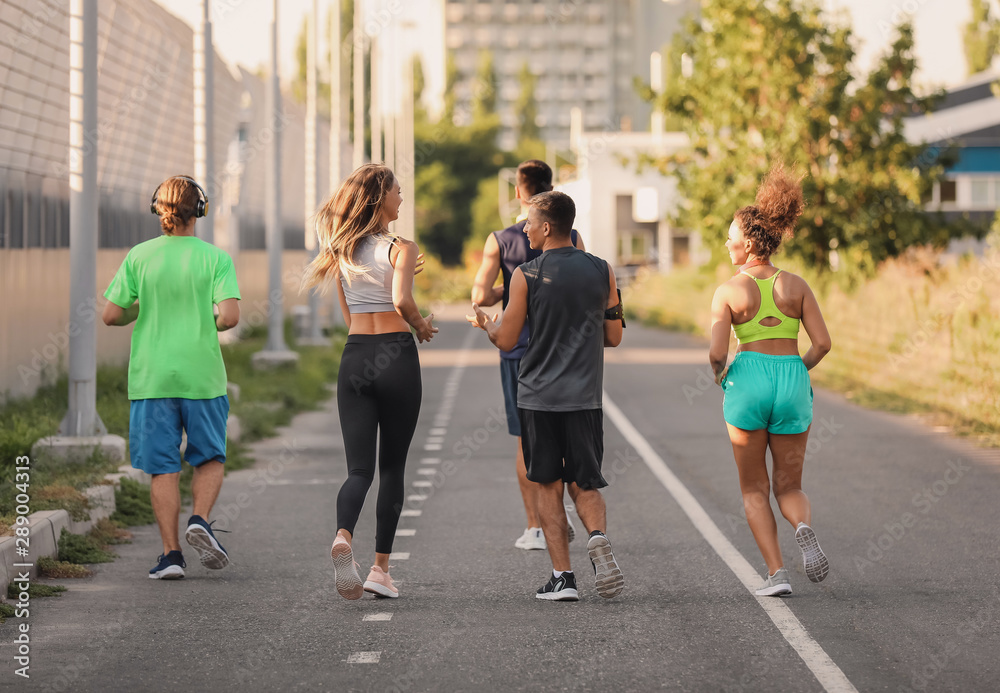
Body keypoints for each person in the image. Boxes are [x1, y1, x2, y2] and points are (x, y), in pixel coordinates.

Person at [472, 191, 626, 601]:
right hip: (586, 397)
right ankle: (596, 536)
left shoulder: (527, 274)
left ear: (545, 227)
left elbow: (507, 339)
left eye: (529, 223)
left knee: (547, 485)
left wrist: (487, 325)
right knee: (586, 482)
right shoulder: (602, 270)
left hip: (539, 397)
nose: (524, 228)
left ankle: (563, 578)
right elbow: (613, 335)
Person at [303, 163, 437, 600]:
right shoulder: (402, 247)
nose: (402, 198)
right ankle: (380, 570)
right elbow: (401, 299)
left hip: (356, 355)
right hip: (396, 355)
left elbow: (348, 317)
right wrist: (420, 325)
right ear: (382, 198)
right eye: (398, 192)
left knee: (358, 469)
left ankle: (344, 536)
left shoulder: (341, 249)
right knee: (393, 467)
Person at [103, 175, 240, 580]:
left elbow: (111, 314)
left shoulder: (139, 256)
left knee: (163, 467)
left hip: (152, 379)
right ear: (200, 210)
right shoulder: (215, 258)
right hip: (202, 377)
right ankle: (199, 519)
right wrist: (203, 318)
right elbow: (229, 316)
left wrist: (142, 309)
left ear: (157, 209)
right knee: (210, 455)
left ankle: (171, 556)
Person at [709, 164, 833, 597]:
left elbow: (716, 352)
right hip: (792, 378)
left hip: (748, 379)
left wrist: (719, 375)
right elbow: (822, 344)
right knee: (790, 485)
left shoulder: (728, 291)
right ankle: (802, 526)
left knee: (753, 487)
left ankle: (777, 574)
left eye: (730, 237)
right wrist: (797, 369)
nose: (727, 243)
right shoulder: (795, 285)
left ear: (747, 243)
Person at [469, 159, 585, 551]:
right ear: (550, 188)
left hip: (519, 347)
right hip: (565, 347)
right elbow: (585, 286)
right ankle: (569, 515)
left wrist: (510, 291)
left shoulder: (500, 240)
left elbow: (479, 296)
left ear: (519, 191)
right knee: (569, 435)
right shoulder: (572, 236)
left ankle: (536, 525)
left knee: (524, 439)